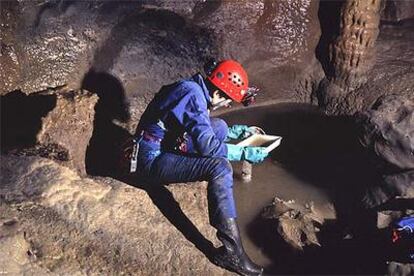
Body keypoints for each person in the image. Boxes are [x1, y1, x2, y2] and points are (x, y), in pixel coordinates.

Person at [132, 60, 268, 276]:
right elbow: (207, 146)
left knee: (221, 127)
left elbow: (199, 125)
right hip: (149, 160)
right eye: (228, 100)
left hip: (162, 144)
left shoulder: (193, 88)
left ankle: (231, 249)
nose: (226, 105)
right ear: (219, 93)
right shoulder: (192, 95)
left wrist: (234, 132)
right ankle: (232, 252)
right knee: (220, 168)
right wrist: (242, 153)